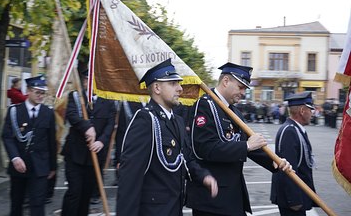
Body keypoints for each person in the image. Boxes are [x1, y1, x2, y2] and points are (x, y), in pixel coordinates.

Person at [186, 62, 292, 216]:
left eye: (245, 88)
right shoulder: (204, 106)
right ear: (226, 81)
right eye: (240, 87)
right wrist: (246, 146)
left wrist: (274, 161)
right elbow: (204, 149)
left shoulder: (234, 111)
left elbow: (251, 144)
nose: (243, 92)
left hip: (232, 196)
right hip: (211, 199)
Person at [117, 59, 218, 216]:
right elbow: (129, 179)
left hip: (174, 208)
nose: (180, 89)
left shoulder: (176, 120)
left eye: (178, 83)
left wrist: (204, 176)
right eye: (173, 83)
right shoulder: (145, 120)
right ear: (157, 88)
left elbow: (186, 158)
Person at [60, 70, 116, 216]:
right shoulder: (76, 97)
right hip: (75, 154)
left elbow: (110, 124)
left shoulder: (108, 99)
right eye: (88, 80)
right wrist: (87, 127)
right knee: (74, 192)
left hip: (95, 155)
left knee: (86, 194)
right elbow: (71, 115)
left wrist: (102, 142)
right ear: (84, 82)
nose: (90, 84)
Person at [2, 75, 57, 216]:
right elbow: (7, 136)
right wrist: (14, 158)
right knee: (17, 203)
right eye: (37, 92)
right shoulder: (14, 111)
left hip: (40, 167)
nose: (40, 96)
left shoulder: (48, 112)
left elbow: (51, 141)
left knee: (38, 204)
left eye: (43, 93)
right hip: (19, 166)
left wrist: (53, 166)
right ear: (28, 91)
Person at [271, 92, 317, 216]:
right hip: (291, 200)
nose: (312, 113)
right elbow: (287, 169)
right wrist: (294, 200)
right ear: (302, 110)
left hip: (298, 194)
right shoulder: (289, 131)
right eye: (310, 109)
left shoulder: (296, 129)